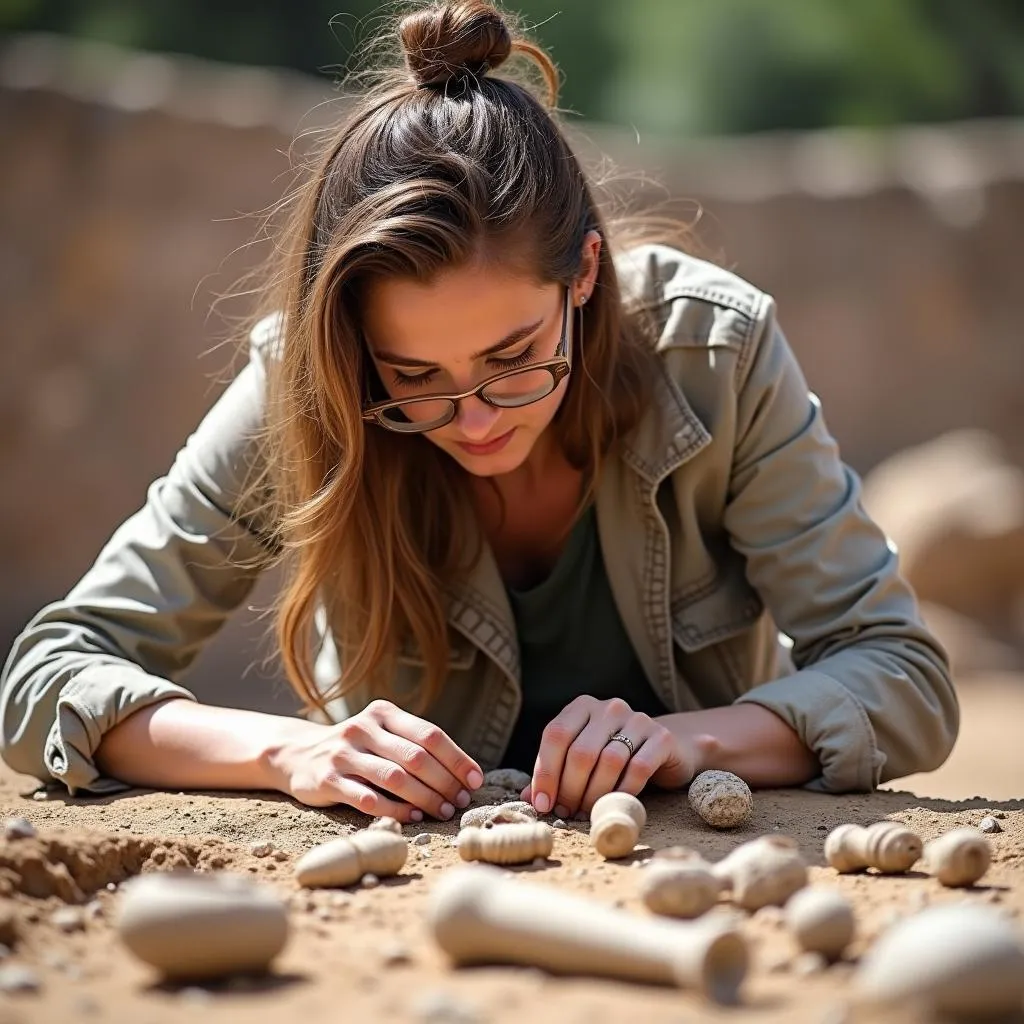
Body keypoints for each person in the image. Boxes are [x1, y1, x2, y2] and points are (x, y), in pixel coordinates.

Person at [0, 0, 957, 825]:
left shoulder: (716, 352)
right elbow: (50, 673)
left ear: (584, 274)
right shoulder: (309, 380)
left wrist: (679, 744)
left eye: (513, 360)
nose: (476, 419)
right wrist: (287, 754)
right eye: (411, 378)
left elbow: (903, 678)